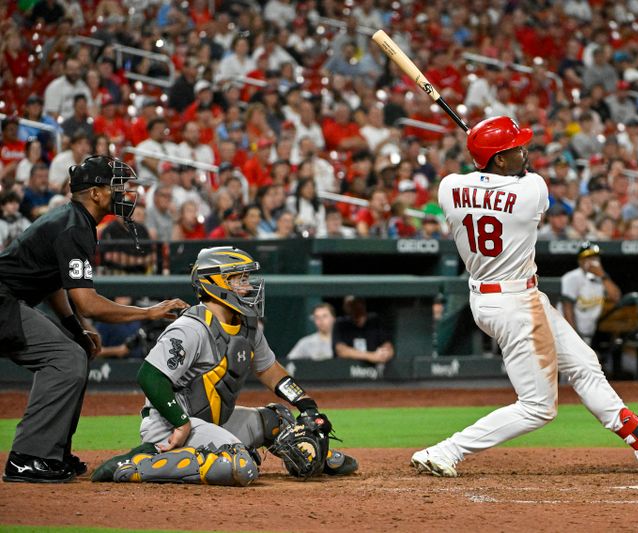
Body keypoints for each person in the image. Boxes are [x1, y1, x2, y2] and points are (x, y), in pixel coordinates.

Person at [412, 116, 638, 478]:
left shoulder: (449, 187)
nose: (525, 152)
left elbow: (477, 179)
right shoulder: (532, 189)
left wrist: (484, 153)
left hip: (493, 298)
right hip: (516, 305)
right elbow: (508, 181)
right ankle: (446, 450)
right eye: (516, 148)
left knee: (584, 365)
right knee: (537, 407)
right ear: (499, 159)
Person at [91, 246, 358, 485]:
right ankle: (136, 464)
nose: (248, 286)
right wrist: (181, 424)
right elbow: (149, 376)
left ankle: (309, 456)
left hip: (211, 421)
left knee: (278, 419)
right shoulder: (191, 327)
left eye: (246, 278)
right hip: (172, 426)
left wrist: (307, 405)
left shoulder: (247, 325)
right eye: (239, 279)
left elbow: (269, 370)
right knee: (240, 465)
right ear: (215, 284)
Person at [0, 155, 188, 483]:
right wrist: (149, 311)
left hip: (11, 300)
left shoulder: (76, 221)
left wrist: (76, 330)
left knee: (75, 352)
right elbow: (86, 302)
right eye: (115, 186)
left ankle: (51, 453)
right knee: (65, 358)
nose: (123, 193)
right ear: (96, 194)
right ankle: (27, 457)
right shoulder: (74, 226)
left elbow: (54, 283)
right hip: (4, 301)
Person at [560, 242, 621, 345]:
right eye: (588, 257)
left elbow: (616, 297)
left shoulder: (602, 279)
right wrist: (573, 338)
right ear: (580, 261)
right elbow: (567, 309)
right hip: (567, 332)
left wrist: (602, 275)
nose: (593, 261)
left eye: (595, 258)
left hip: (588, 334)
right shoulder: (572, 277)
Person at [333, 296, 394, 365]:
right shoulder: (341, 323)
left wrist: (384, 353)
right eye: (349, 305)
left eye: (355, 303)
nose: (353, 307)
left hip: (374, 370)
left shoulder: (376, 321)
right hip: (348, 369)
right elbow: (341, 350)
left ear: (362, 304)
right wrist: (371, 356)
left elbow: (388, 346)